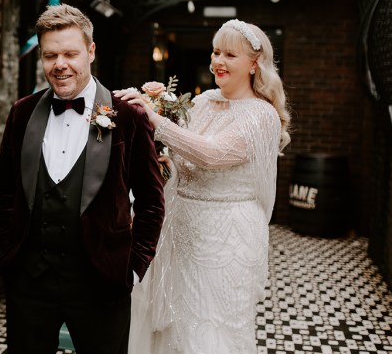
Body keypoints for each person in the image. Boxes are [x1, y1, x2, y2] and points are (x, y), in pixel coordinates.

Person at [0, 4, 165, 354]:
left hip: (102, 282)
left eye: (70, 53)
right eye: (50, 55)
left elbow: (151, 202)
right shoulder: (21, 112)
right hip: (29, 282)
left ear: (90, 51)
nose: (60, 65)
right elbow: (4, 191)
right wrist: (1, 255)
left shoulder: (127, 116)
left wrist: (132, 270)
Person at [115, 19, 291, 354]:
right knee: (172, 319)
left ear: (254, 64)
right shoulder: (204, 101)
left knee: (211, 327)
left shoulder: (261, 116)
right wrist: (164, 159)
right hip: (181, 227)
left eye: (230, 55)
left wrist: (157, 121)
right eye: (215, 52)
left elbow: (212, 154)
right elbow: (189, 155)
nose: (218, 62)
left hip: (226, 238)